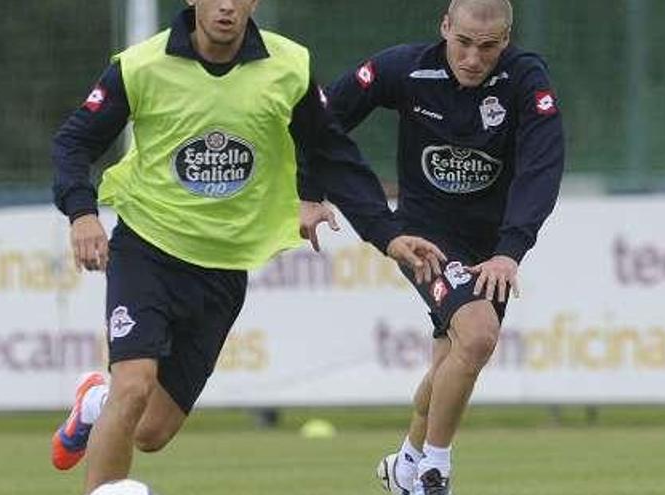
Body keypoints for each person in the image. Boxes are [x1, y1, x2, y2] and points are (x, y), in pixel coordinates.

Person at [50, 1, 446, 493]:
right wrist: (82, 212)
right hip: (146, 248)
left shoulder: (288, 66)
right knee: (133, 385)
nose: (227, 5)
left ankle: (94, 401)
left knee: (150, 431)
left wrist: (385, 234)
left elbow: (333, 154)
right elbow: (73, 142)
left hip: (223, 267)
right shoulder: (141, 66)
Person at [303, 0, 565, 493]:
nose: (472, 57)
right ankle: (433, 471)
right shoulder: (405, 67)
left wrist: (510, 250)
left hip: (491, 246)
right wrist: (309, 192)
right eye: (463, 42)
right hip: (426, 235)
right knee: (480, 335)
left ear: (505, 40)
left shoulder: (526, 80)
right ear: (445, 27)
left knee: (453, 360)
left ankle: (405, 463)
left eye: (487, 47)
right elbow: (322, 118)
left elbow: (542, 168)